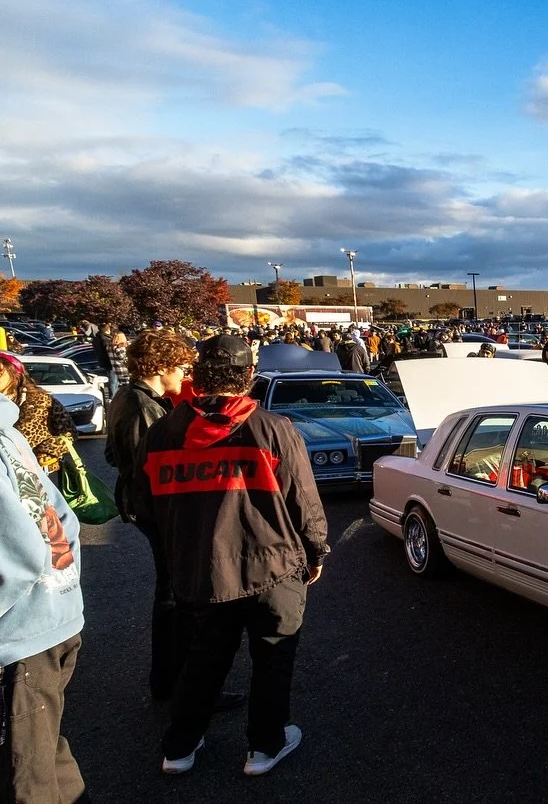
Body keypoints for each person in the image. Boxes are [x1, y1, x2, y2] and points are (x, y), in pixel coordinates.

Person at [132, 335, 328, 776]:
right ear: (249, 378)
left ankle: (180, 747)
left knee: (204, 658)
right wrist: (316, 551)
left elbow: (143, 505)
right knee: (273, 658)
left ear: (198, 377)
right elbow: (304, 503)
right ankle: (264, 747)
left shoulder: (163, 432)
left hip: (202, 570)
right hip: (273, 566)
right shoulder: (273, 429)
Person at [104, 330, 209, 703]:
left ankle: (173, 681)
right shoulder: (140, 405)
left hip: (147, 509)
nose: (185, 376)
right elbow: (151, 467)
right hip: (159, 513)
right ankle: (176, 684)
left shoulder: (130, 398)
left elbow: (112, 456)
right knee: (175, 597)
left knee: (173, 593)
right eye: (181, 367)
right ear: (160, 366)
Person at [0, 391, 87, 803]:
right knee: (46, 751)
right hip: (54, 612)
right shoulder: (10, 431)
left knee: (27, 775)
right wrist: (65, 581)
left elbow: (20, 552)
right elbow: (63, 519)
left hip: (22, 631)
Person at [0, 354, 76, 474]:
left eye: (0, 372)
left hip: (30, 468)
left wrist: (49, 450)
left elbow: (22, 438)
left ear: (15, 375)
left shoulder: (36, 400)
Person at [108, 330, 130, 398]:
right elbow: (125, 359)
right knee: (128, 388)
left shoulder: (109, 347)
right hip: (124, 370)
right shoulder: (120, 348)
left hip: (116, 370)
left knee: (122, 388)